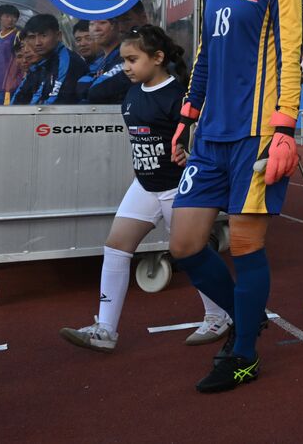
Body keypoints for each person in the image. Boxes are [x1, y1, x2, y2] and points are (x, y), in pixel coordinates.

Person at [168, 0, 302, 394]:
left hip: (257, 137)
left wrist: (285, 129)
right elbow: (203, 58)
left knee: (246, 244)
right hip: (210, 138)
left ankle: (244, 351)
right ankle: (248, 317)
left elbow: (291, 57)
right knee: (184, 244)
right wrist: (187, 116)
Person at [60, 25, 230, 352]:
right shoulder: (132, 89)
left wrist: (188, 151)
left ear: (158, 58)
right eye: (123, 60)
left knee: (193, 254)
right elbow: (97, 92)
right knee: (116, 248)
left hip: (177, 188)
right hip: (145, 184)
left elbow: (202, 142)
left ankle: (217, 315)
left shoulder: (178, 97)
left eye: (132, 59)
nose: (126, 66)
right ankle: (105, 329)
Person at [12, 14, 88, 105]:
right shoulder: (40, 64)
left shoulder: (66, 61)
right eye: (32, 37)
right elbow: (20, 95)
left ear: (58, 36)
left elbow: (55, 104)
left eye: (43, 36)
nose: (37, 43)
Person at [0, 4, 21, 105]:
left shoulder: (18, 35)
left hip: (7, 87)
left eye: (14, 17)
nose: (11, 19)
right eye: (7, 16)